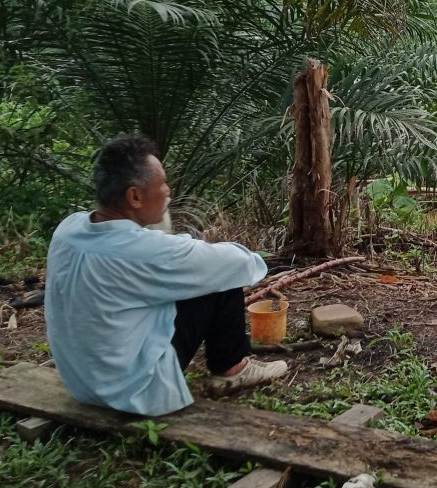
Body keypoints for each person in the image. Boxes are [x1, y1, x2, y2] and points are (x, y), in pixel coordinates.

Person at [45, 135, 288, 416]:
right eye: (161, 184)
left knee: (208, 270)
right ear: (134, 196)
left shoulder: (68, 229)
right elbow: (245, 263)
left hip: (82, 382)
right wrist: (190, 249)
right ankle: (233, 368)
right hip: (133, 390)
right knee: (222, 273)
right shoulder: (148, 252)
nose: (168, 190)